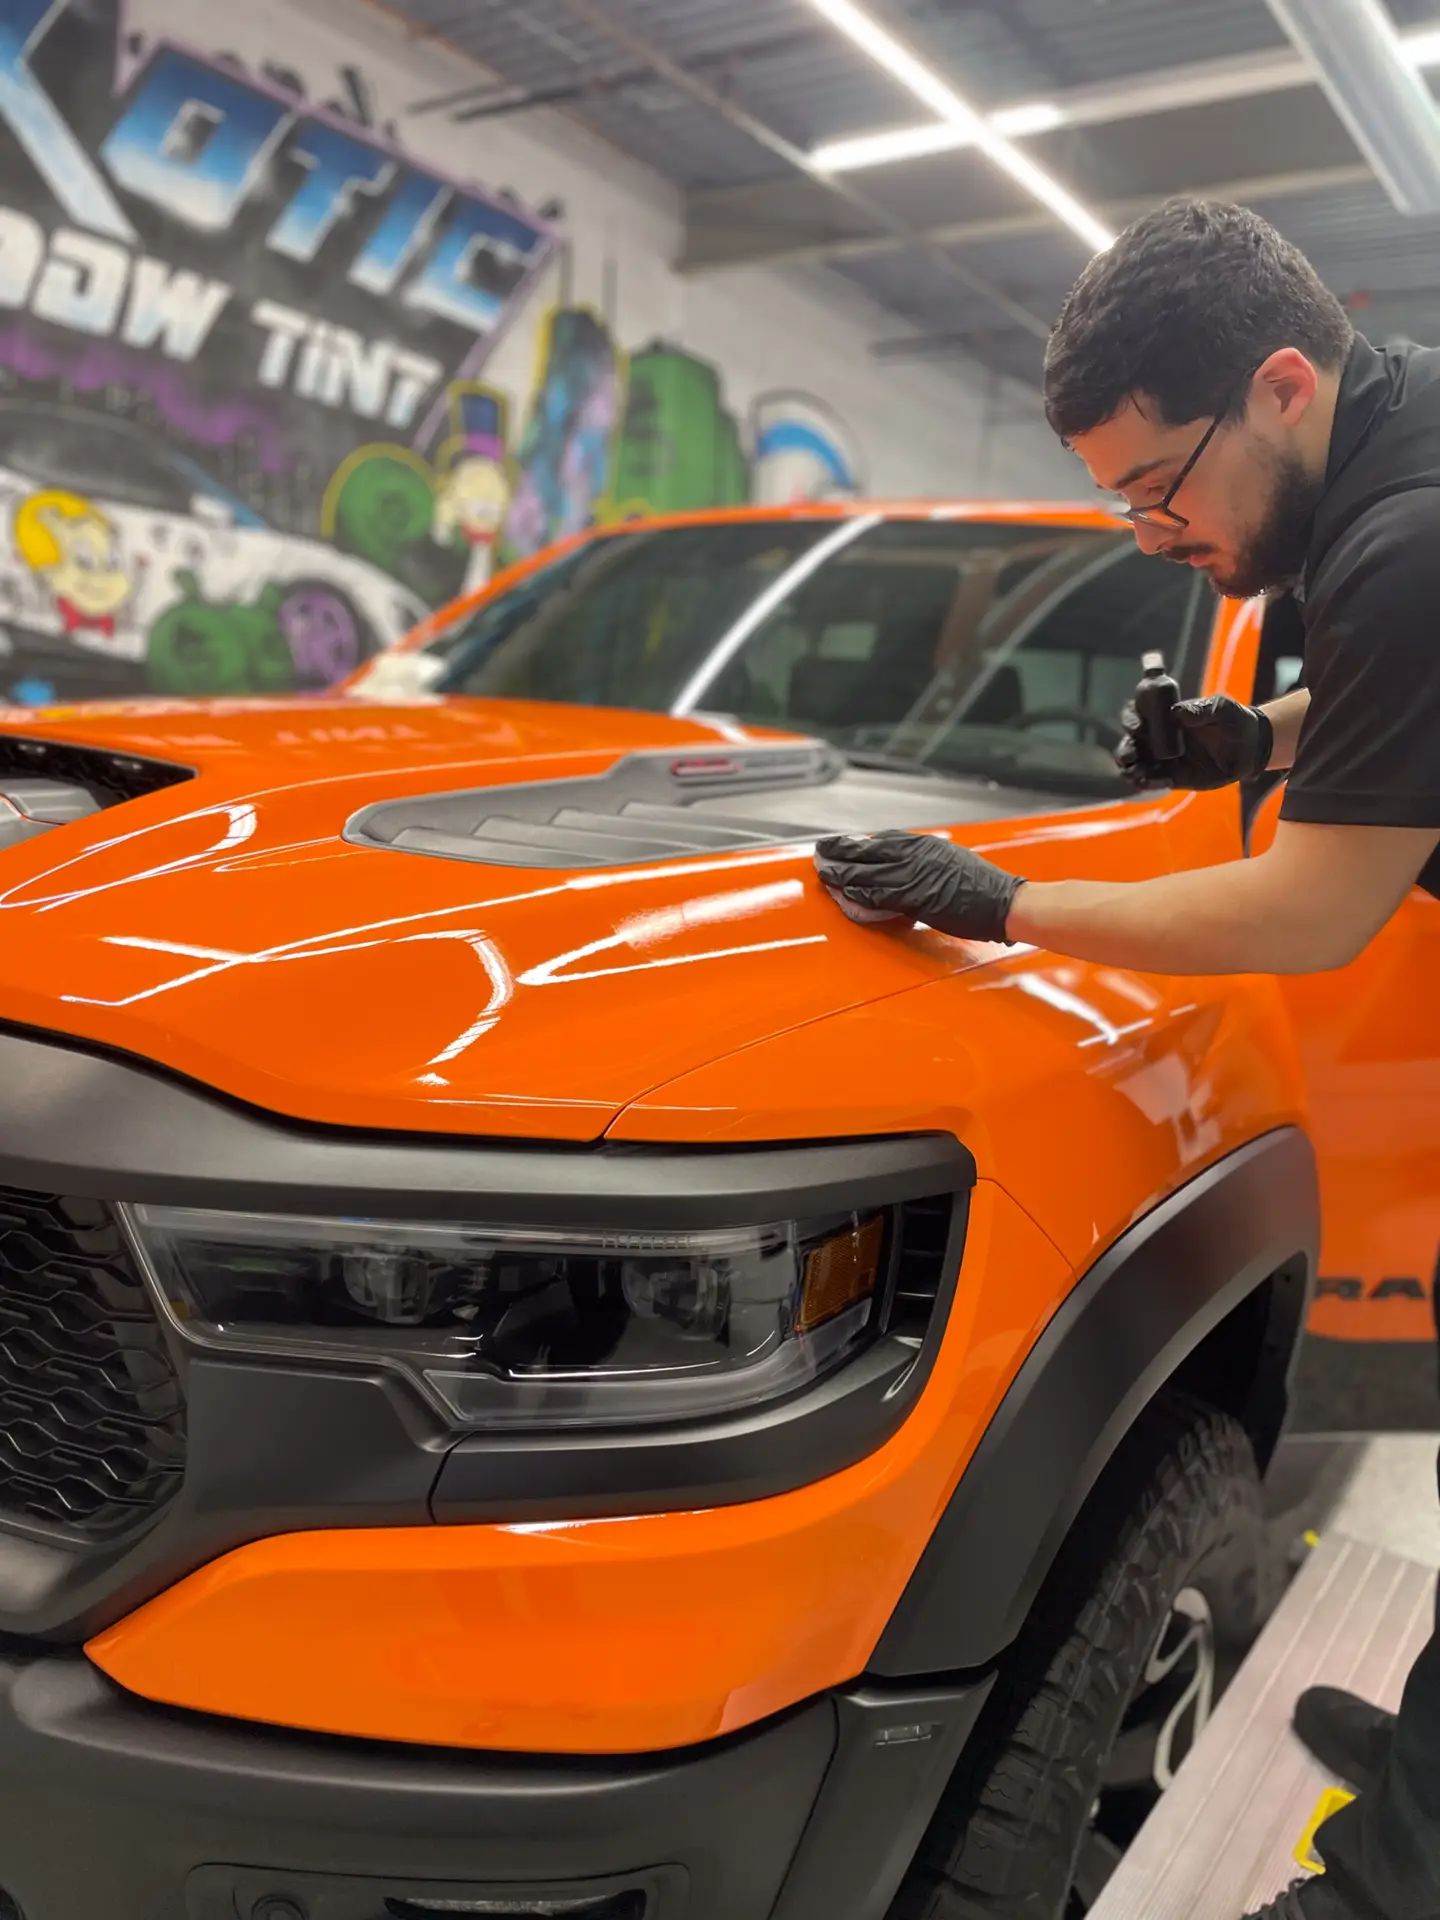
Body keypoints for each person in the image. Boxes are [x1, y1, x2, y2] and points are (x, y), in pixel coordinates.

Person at [814, 199, 1440, 1920]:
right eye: (1120, 499)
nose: (1148, 528)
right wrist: (1265, 729)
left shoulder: (1409, 530)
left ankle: (1391, 1891)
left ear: (1285, 385)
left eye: (1160, 485)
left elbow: (1310, 913)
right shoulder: (1400, 432)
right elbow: (1415, 682)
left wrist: (1004, 899)